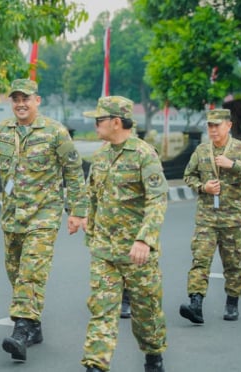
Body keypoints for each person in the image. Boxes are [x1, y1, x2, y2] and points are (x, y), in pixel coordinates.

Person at [0, 79, 87, 362]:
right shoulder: (0, 132)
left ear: (38, 101)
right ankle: (34, 326)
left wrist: (77, 211)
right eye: (16, 99)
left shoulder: (54, 132)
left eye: (26, 98)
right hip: (12, 216)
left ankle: (20, 330)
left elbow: (73, 171)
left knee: (31, 271)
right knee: (16, 273)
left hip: (44, 215)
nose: (21, 103)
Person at [80, 96, 167, 372]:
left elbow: (158, 199)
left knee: (146, 314)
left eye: (99, 120)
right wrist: (87, 224)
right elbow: (92, 195)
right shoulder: (100, 156)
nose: (95, 125)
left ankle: (154, 356)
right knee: (102, 311)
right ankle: (95, 365)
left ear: (116, 122)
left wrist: (145, 239)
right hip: (104, 252)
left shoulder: (144, 154)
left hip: (137, 254)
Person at [180, 109, 241, 324]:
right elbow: (188, 176)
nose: (213, 129)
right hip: (206, 217)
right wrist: (203, 187)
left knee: (233, 263)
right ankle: (196, 304)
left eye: (217, 125)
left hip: (232, 219)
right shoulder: (201, 150)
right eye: (210, 125)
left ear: (229, 125)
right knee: (200, 260)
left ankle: (232, 302)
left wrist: (233, 165)